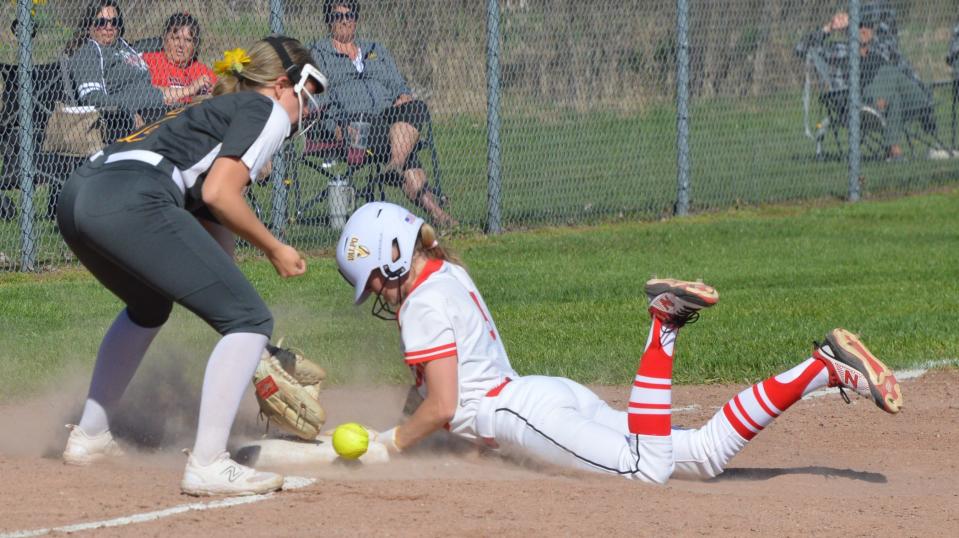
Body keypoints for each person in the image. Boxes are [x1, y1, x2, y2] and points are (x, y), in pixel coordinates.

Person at [333, 201, 904, 482]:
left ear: (393, 252)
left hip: (516, 415)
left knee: (644, 472)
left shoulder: (419, 304)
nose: (379, 293)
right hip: (543, 395)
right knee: (701, 457)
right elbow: (439, 393)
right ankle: (822, 368)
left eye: (378, 280)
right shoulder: (447, 273)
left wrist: (391, 445)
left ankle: (663, 325)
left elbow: (441, 406)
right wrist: (420, 426)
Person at [56, 35, 327, 496]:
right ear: (282, 85)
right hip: (131, 197)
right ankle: (208, 465)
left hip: (81, 194)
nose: (306, 111)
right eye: (307, 96)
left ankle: (90, 435)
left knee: (150, 305)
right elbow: (223, 193)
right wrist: (274, 248)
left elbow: (208, 218)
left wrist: (247, 341)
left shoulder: (212, 110)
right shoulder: (265, 111)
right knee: (251, 318)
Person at [310, 0, 454, 227]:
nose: (346, 20)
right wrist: (335, 128)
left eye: (350, 15)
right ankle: (437, 212)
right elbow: (316, 101)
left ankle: (394, 166)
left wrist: (403, 97)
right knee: (396, 144)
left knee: (417, 108)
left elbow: (400, 87)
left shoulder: (375, 50)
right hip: (355, 124)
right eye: (339, 16)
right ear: (329, 21)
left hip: (390, 119)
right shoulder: (319, 54)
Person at [795, 4, 939, 161]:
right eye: (858, 25)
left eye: (868, 25)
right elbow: (801, 49)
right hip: (857, 105)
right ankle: (896, 148)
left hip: (885, 103)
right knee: (892, 80)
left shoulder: (882, 48)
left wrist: (924, 89)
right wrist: (829, 27)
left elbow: (907, 70)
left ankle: (900, 110)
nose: (864, 29)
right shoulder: (838, 50)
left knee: (893, 79)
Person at [64, 1, 209, 141]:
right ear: (90, 25)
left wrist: (189, 90)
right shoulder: (89, 52)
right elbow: (92, 98)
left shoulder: (124, 47)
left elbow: (151, 90)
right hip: (133, 119)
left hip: (161, 106)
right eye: (102, 22)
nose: (108, 27)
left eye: (114, 22)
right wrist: (127, 111)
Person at [142, 12, 216, 105]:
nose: (181, 45)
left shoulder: (202, 71)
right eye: (176, 38)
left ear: (195, 45)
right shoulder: (150, 60)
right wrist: (191, 90)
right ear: (165, 39)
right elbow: (143, 92)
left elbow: (217, 96)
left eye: (188, 40)